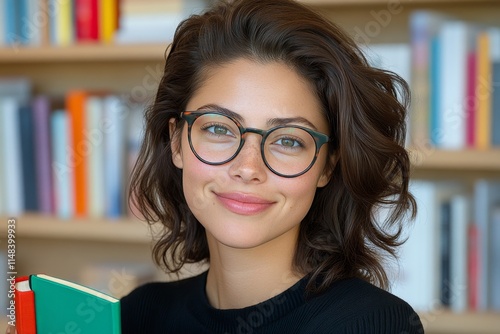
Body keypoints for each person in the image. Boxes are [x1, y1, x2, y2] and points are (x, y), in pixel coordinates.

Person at [5, 0, 423, 333]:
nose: (248, 167)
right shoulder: (138, 316)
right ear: (177, 143)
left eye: (289, 140)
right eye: (220, 129)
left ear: (327, 167)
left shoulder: (371, 324)